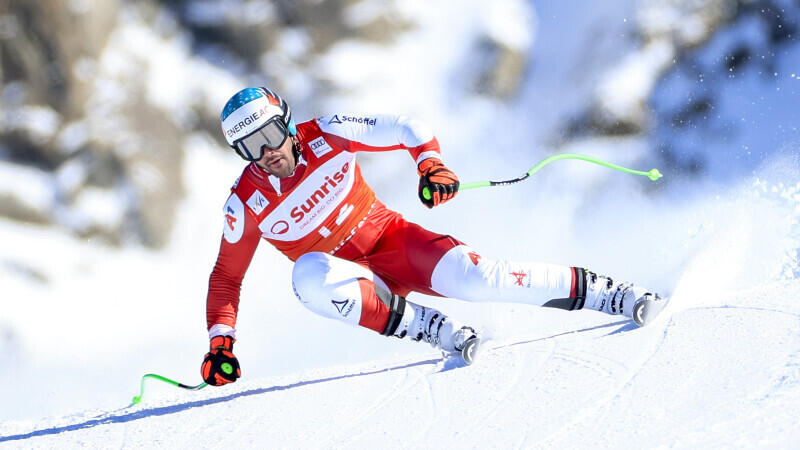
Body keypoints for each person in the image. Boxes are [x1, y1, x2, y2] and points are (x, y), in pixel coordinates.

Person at [200, 87, 666, 386]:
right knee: (307, 275)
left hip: (394, 243)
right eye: (249, 147)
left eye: (269, 135)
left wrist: (431, 163)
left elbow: (407, 128)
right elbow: (226, 277)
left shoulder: (326, 133)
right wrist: (221, 343)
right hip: (357, 285)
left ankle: (612, 294)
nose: (266, 153)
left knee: (482, 280)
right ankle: (430, 327)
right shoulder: (246, 202)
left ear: (285, 122)